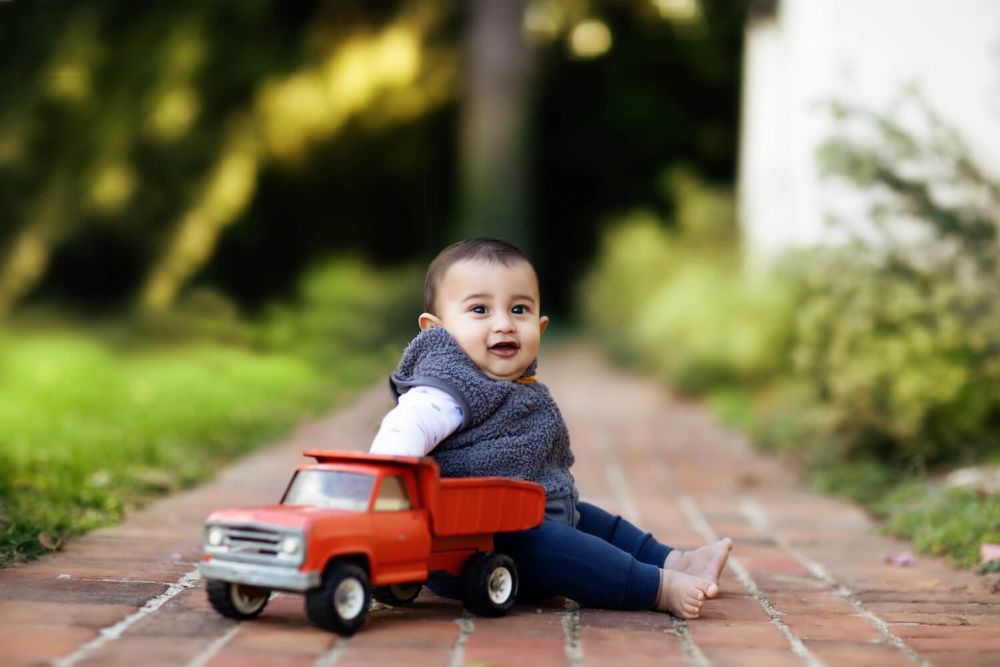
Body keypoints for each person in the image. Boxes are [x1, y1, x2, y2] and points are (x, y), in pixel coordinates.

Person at [369, 238, 732, 618]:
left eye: (519, 309)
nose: (504, 324)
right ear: (436, 331)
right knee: (568, 549)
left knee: (594, 521)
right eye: (479, 309)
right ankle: (656, 588)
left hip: (528, 512)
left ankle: (674, 560)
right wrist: (390, 486)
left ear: (540, 325)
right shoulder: (445, 387)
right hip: (476, 542)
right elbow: (406, 427)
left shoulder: (509, 383)